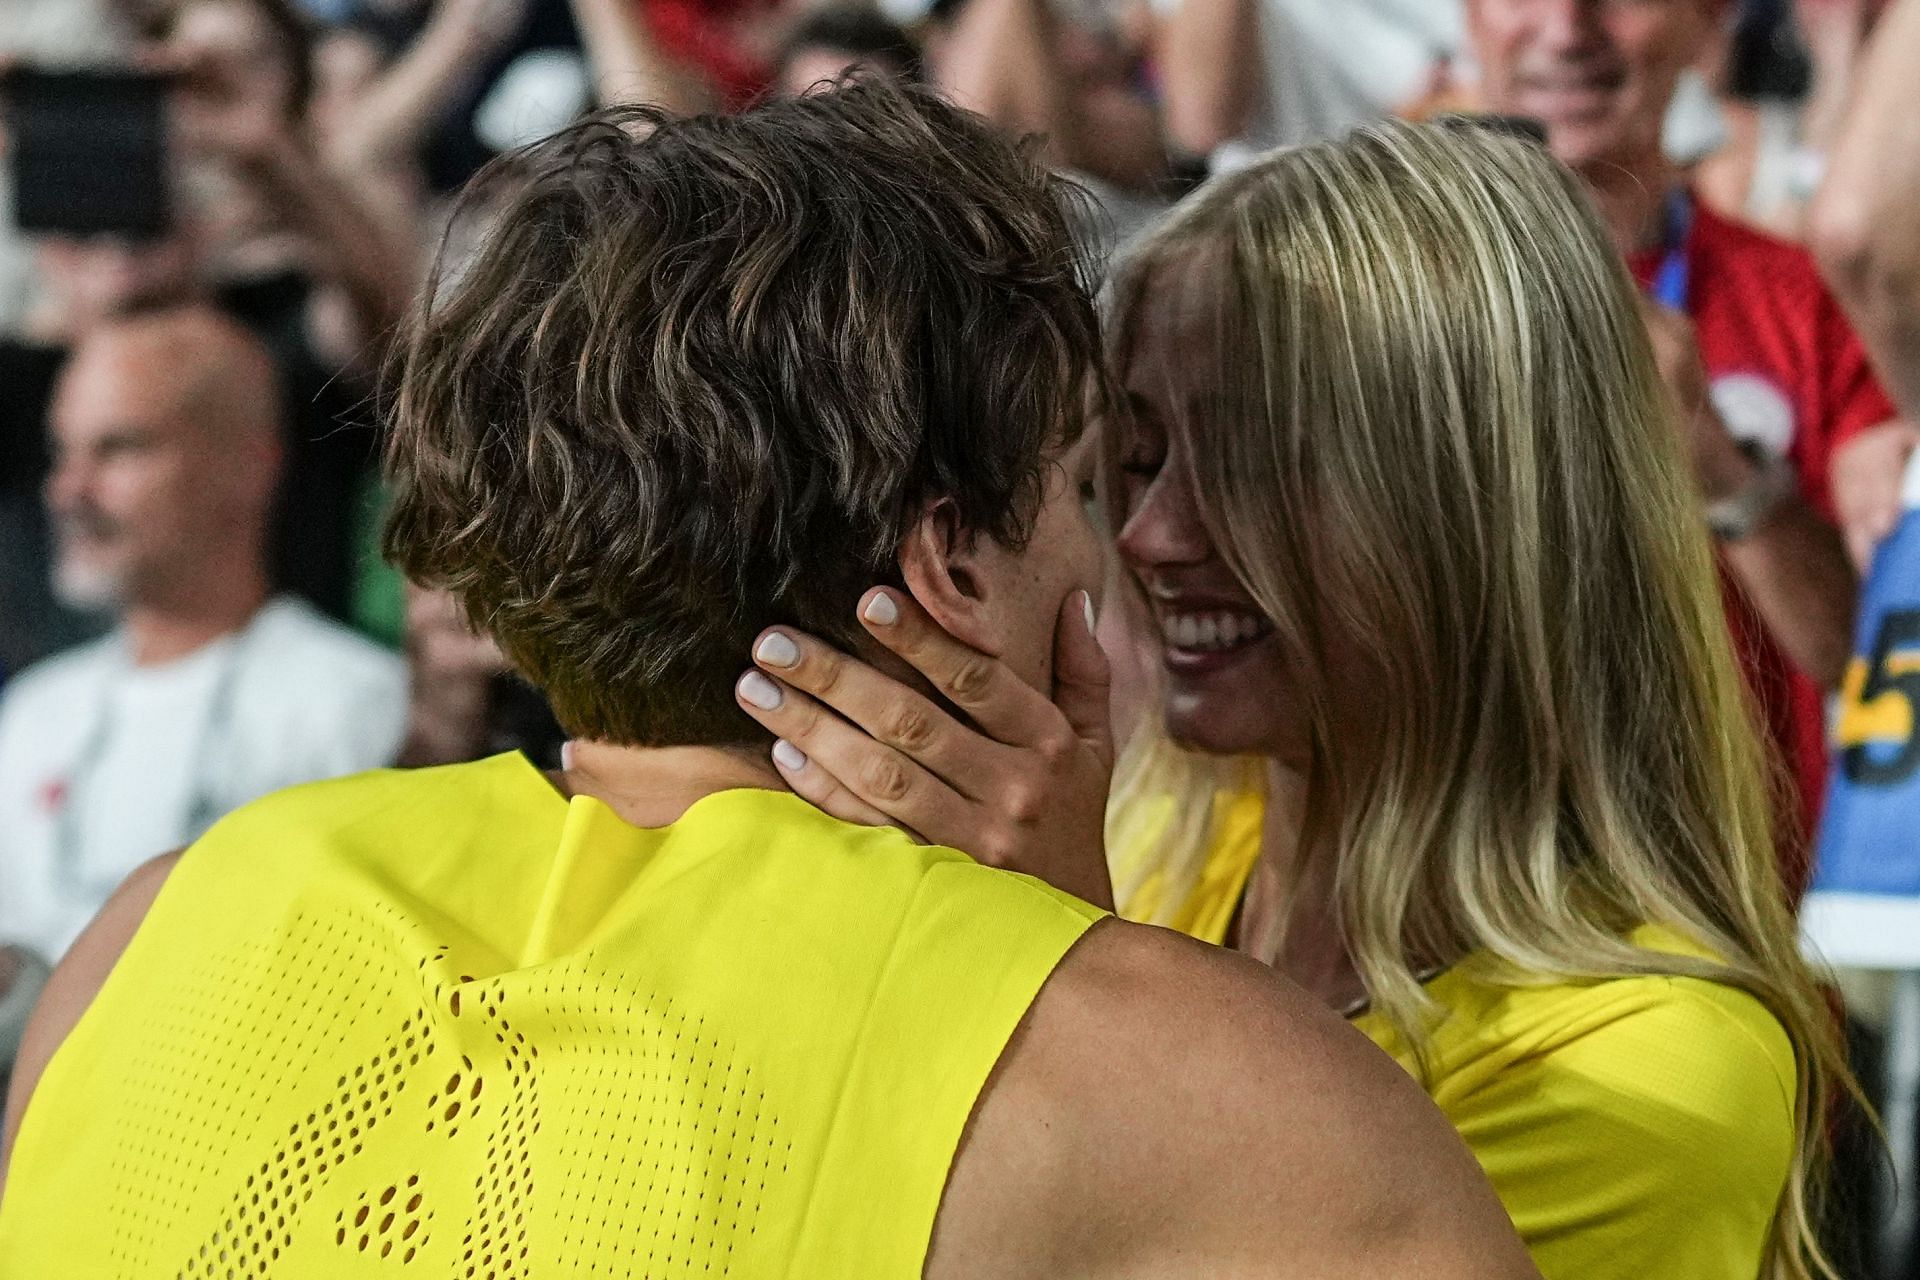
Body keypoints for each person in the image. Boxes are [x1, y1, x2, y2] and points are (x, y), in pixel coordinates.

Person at [0, 86, 1538, 1278]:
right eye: (1088, 483)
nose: (1129, 546)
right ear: (946, 562)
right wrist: (1086, 967)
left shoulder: (140, 935)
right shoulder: (1226, 1096)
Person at [732, 119, 1854, 1280]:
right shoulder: (1155, 839)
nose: (1151, 533)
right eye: (1139, 456)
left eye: (1257, 461)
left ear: (1485, 502)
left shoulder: (1657, 1064)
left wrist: (1067, 972)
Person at [1465, 0, 1901, 884]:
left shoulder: (1810, 305)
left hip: (1748, 913)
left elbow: (1868, 660)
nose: (1565, 25)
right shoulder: (1361, 308)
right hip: (1467, 907)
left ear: (1707, 25)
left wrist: (1720, 468)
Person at [0, 305, 407, 988]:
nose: (70, 490)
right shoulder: (34, 712)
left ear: (249, 469)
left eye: (119, 448)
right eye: (60, 453)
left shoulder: (354, 701)